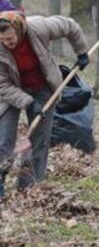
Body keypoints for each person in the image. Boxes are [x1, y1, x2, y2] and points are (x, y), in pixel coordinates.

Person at [0, 11, 89, 198]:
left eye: (10, 38)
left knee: (38, 140)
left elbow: (69, 25)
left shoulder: (38, 27)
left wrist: (81, 52)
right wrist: (28, 102)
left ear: (19, 29)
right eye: (3, 41)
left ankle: (28, 187)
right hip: (9, 91)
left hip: (42, 87)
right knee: (4, 138)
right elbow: (3, 85)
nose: (7, 44)